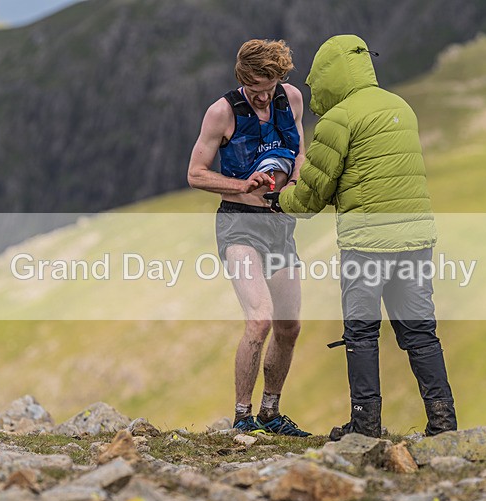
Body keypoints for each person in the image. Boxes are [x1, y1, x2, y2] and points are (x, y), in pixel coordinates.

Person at [266, 34, 457, 440]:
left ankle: (365, 425)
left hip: (367, 244)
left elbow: (311, 195)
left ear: (329, 76)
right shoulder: (399, 106)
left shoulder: (339, 119)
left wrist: (280, 200)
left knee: (361, 333)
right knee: (420, 332)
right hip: (416, 239)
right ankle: (444, 425)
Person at [187, 39, 310, 436]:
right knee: (259, 320)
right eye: (254, 88)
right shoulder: (222, 112)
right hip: (239, 223)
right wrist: (241, 185)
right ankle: (242, 417)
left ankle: (271, 413)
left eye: (268, 87)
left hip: (279, 223)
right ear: (242, 78)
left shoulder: (291, 99)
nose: (261, 96)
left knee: (289, 326)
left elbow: (300, 153)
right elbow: (195, 174)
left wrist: (294, 185)